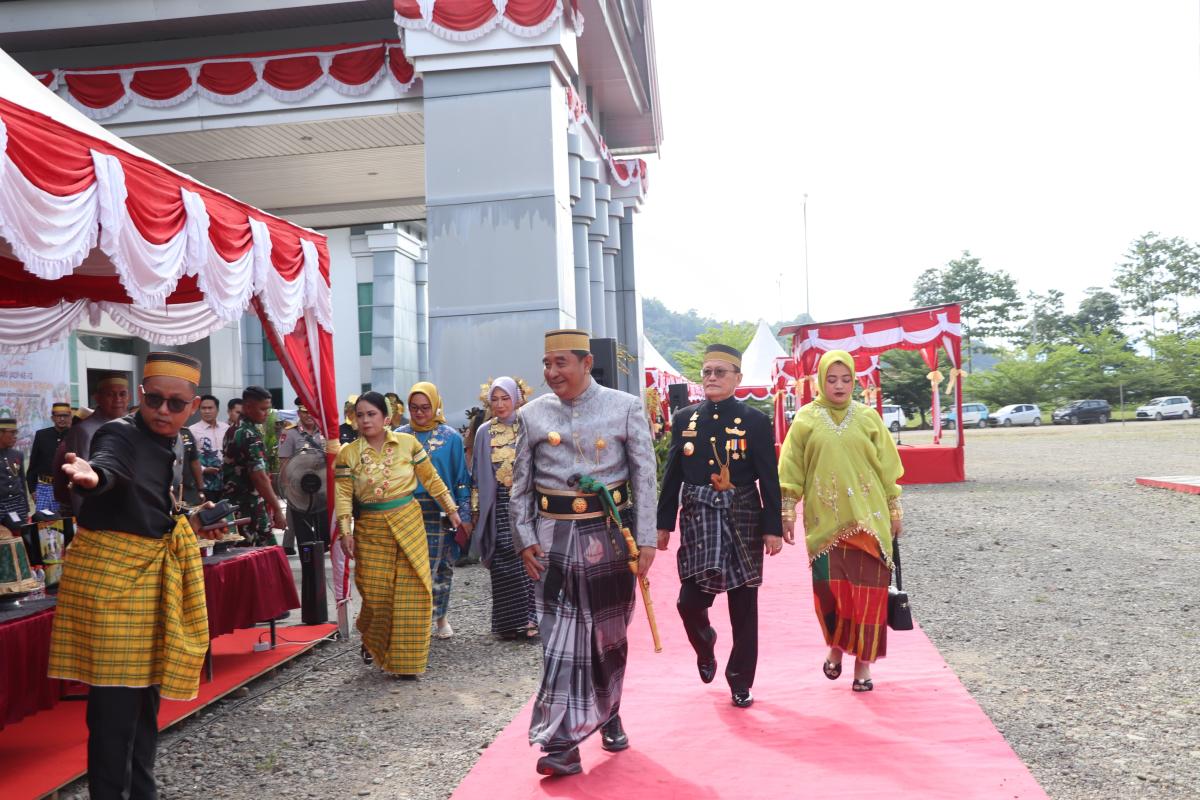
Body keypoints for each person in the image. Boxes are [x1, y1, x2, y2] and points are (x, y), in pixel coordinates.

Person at [50, 352, 219, 800]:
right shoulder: (117, 432)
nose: (164, 411)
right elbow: (110, 465)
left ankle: (142, 792)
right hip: (113, 581)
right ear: (140, 396)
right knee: (114, 707)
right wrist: (93, 476)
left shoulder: (179, 441)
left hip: (151, 574)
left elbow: (156, 502)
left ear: (192, 403)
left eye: (176, 404)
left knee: (145, 700)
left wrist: (196, 521)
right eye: (155, 400)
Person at [511, 329, 658, 776]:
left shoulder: (625, 407)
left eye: (561, 364)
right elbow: (518, 485)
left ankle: (610, 714)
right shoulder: (531, 415)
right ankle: (561, 742)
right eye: (546, 364)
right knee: (558, 642)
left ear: (586, 362)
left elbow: (645, 478)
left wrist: (646, 539)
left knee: (607, 636)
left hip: (609, 538)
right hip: (552, 539)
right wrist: (524, 538)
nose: (552, 373)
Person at [656, 344, 783, 709]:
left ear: (737, 378)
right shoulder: (684, 419)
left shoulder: (755, 421)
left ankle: (740, 681)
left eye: (720, 372)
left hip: (742, 516)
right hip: (699, 517)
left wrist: (772, 527)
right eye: (707, 371)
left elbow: (768, 479)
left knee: (744, 606)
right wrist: (663, 524)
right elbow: (672, 476)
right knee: (688, 602)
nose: (711, 377)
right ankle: (705, 642)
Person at [778, 350, 904, 692]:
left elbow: (888, 467)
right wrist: (787, 510)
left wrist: (894, 509)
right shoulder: (805, 418)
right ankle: (835, 646)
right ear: (820, 381)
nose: (839, 386)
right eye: (832, 379)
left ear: (855, 381)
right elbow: (791, 468)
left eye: (846, 379)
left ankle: (863, 666)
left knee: (869, 596)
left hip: (869, 519)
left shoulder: (868, 417)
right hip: (824, 523)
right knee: (831, 595)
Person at [334, 392, 464, 676]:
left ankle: (407, 664)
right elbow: (343, 494)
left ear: (387, 418)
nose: (366, 420)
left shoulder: (408, 444)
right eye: (360, 415)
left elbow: (431, 478)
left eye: (372, 414)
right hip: (370, 528)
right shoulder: (348, 454)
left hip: (408, 521)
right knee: (376, 595)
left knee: (412, 592)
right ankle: (372, 638)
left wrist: (452, 509)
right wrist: (346, 530)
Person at [399, 382, 473, 639]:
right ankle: (413, 621)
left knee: (441, 567)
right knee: (409, 568)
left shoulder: (451, 437)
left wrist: (464, 515)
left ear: (435, 406)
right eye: (414, 408)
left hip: (441, 510)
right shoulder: (399, 436)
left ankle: (440, 617)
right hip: (405, 509)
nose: (419, 413)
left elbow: (462, 478)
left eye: (425, 408)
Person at [470, 378, 537, 640]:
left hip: (528, 503)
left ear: (517, 398)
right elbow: (477, 474)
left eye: (505, 398)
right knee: (503, 562)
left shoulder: (529, 425)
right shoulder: (484, 432)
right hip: (498, 504)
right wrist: (476, 510)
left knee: (529, 558)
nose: (500, 404)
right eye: (495, 399)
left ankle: (531, 619)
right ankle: (508, 623)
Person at [222, 386, 287, 547]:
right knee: (264, 558)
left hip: (236, 507)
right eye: (263, 409)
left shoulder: (233, 430)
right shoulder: (248, 434)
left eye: (268, 409)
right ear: (248, 407)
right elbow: (259, 477)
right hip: (249, 508)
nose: (266, 413)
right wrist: (277, 509)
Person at [56, 375, 130, 515]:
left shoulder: (132, 426)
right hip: (99, 512)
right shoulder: (85, 430)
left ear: (129, 397)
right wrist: (83, 518)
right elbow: (80, 480)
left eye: (122, 394)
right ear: (97, 398)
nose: (118, 399)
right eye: (110, 394)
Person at [278, 402, 329, 555]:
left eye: (311, 412)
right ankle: (308, 563)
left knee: (323, 532)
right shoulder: (290, 433)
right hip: (299, 490)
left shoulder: (325, 432)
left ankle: (320, 558)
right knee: (304, 534)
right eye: (304, 412)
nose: (308, 416)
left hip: (322, 489)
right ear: (299, 413)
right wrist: (288, 489)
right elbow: (284, 463)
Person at [27, 402, 72, 514]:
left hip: (66, 489)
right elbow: (33, 465)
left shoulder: (75, 435)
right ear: (52, 418)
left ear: (70, 417)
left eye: (65, 416)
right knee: (43, 525)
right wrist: (32, 490)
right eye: (58, 416)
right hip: (43, 488)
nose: (62, 419)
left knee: (66, 525)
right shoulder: (41, 435)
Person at [189, 394, 228, 502]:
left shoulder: (226, 428)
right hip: (205, 484)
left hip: (226, 483)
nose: (207, 411)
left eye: (210, 408)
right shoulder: (192, 430)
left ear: (217, 410)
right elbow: (189, 458)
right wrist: (204, 470)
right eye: (203, 408)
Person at [0, 418, 28, 523]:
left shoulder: (17, 454)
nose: (15, 436)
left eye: (16, 432)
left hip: (17, 504)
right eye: (12, 432)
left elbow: (22, 482)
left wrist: (26, 508)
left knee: (21, 532)